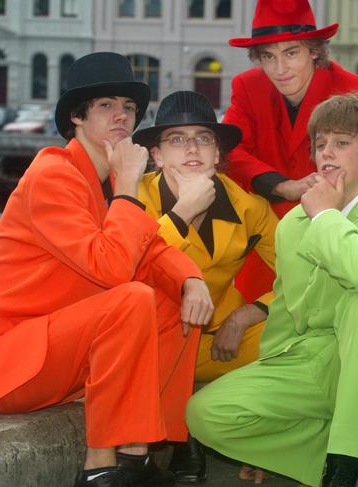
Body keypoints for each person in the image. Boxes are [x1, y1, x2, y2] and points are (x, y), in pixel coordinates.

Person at [0, 52, 214, 487]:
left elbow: (148, 251)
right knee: (132, 298)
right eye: (106, 106)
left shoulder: (105, 182)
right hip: (7, 362)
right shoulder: (53, 174)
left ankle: (138, 455)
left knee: (173, 301)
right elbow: (113, 267)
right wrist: (131, 186)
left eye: (129, 107)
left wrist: (191, 279)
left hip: (58, 353)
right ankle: (100, 470)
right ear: (77, 117)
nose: (122, 116)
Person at [185, 92, 358, 487]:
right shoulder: (294, 224)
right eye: (320, 144)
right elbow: (286, 313)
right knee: (205, 414)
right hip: (310, 361)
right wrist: (266, 431)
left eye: (342, 142)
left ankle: (347, 467)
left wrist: (326, 215)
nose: (327, 153)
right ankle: (334, 450)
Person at [133, 90, 278, 483]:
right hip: (154, 345)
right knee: (149, 303)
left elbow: (300, 275)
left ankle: (269, 435)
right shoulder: (135, 199)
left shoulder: (248, 207)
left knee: (296, 334)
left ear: (217, 153)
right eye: (176, 139)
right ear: (157, 155)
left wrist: (247, 315)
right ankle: (184, 435)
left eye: (203, 137)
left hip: (219, 339)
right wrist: (182, 215)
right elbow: (128, 269)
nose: (191, 147)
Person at [224, 0, 358, 303]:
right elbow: (229, 150)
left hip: (333, 237)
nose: (279, 69)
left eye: (291, 53)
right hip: (264, 244)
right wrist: (282, 185)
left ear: (315, 50)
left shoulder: (356, 91)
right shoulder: (247, 85)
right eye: (268, 57)